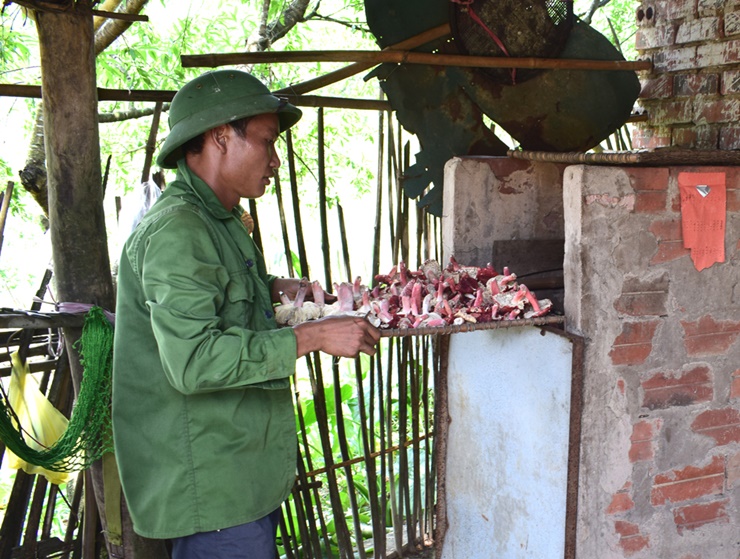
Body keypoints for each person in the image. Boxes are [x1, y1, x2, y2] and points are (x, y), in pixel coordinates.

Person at [111, 69, 381, 559]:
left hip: (239, 470)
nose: (276, 160)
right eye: (267, 142)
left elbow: (219, 298)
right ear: (219, 138)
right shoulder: (177, 232)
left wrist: (277, 290)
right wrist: (313, 337)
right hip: (213, 488)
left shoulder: (219, 218)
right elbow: (194, 361)